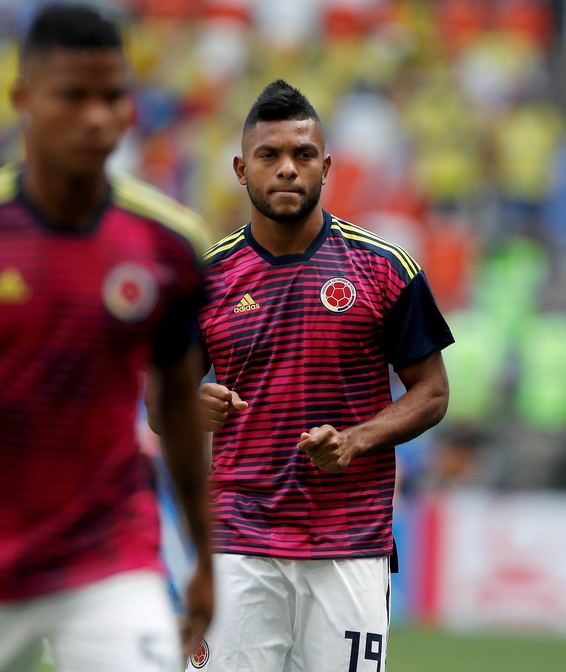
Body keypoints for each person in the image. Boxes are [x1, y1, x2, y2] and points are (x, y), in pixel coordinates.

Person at [0, 5, 214, 672]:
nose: (97, 117)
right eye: (74, 96)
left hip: (110, 561)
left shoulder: (168, 244)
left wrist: (208, 554)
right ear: (23, 99)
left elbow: (178, 403)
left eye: (113, 97)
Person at [190, 80, 453, 671]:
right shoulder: (205, 279)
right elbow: (161, 400)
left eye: (303, 154)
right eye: (269, 155)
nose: (287, 168)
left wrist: (356, 439)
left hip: (349, 542)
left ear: (326, 167)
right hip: (238, 540)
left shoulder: (384, 267)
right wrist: (189, 405)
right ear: (241, 169)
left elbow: (433, 391)